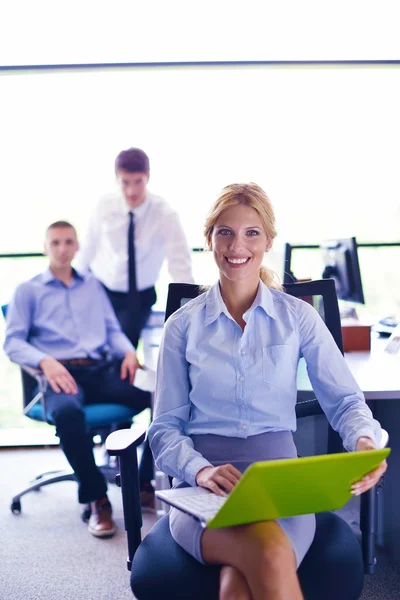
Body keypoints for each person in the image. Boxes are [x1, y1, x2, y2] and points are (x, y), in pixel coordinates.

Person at [148, 183, 387, 599]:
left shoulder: (298, 318)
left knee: (235, 588)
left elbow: (345, 399)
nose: (237, 245)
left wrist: (364, 440)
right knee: (271, 552)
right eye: (225, 232)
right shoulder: (182, 327)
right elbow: (165, 428)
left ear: (268, 241)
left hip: (280, 484)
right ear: (209, 240)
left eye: (251, 233)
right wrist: (200, 470)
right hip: (202, 486)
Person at [4, 221, 153, 538]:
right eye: (55, 242)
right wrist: (46, 361)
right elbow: (13, 341)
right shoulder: (28, 290)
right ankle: (97, 499)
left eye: (68, 242)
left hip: (99, 370)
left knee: (158, 393)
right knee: (68, 413)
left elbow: (113, 330)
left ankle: (143, 481)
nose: (61, 248)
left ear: (77, 247)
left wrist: (128, 351)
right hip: (59, 375)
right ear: (46, 247)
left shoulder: (92, 287)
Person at [75, 147, 194, 349]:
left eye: (138, 182)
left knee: (123, 353)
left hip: (137, 300)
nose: (132, 191)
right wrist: (69, 288)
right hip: (99, 291)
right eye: (125, 182)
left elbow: (179, 263)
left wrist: (191, 309)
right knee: (90, 348)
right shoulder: (104, 205)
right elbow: (88, 249)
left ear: (147, 177)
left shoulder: (164, 214)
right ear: (116, 179)